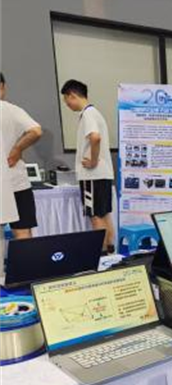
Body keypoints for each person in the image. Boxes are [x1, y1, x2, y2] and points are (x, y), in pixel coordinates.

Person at [61, 79, 115, 254]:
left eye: (66, 100)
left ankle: (102, 254)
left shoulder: (88, 114)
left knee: (96, 216)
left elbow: (95, 137)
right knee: (104, 214)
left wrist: (92, 160)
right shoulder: (95, 113)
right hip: (103, 174)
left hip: (92, 175)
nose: (67, 104)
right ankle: (110, 251)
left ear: (72, 95)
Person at [0, 71, 43, 240]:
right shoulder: (11, 110)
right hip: (16, 181)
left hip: (12, 182)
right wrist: (17, 149)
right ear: (2, 86)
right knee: (23, 231)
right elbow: (36, 131)